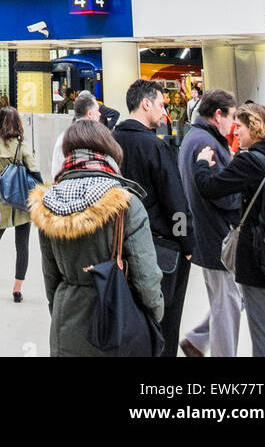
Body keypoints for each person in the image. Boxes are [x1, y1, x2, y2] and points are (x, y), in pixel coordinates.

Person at [30, 118, 163, 356]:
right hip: (118, 321)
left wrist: (61, 310)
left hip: (66, 320)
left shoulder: (47, 204)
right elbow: (146, 277)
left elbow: (51, 278)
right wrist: (154, 313)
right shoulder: (125, 204)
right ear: (109, 151)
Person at [194, 101, 265, 358]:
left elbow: (210, 187)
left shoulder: (250, 162)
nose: (235, 133)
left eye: (239, 127)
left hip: (260, 265)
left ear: (254, 127)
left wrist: (202, 163)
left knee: (264, 341)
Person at [114, 79, 194, 359]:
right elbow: (176, 202)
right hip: (161, 249)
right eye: (161, 105)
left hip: (118, 247)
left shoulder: (111, 141)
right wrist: (187, 244)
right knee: (165, 324)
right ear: (145, 103)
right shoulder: (154, 147)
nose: (164, 112)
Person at [177, 88, 242, 359]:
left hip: (205, 235)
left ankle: (196, 339)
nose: (234, 124)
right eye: (232, 117)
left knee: (225, 300)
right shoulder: (208, 145)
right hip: (218, 236)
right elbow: (223, 195)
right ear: (218, 115)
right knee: (228, 306)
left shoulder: (192, 137)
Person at [0, 106, 40, 302]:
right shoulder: (21, 146)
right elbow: (35, 172)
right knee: (22, 245)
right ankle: (17, 290)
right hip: (20, 203)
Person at [51, 90, 101, 179]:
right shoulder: (98, 138)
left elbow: (56, 171)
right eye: (97, 110)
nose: (100, 114)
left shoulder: (64, 137)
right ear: (89, 114)